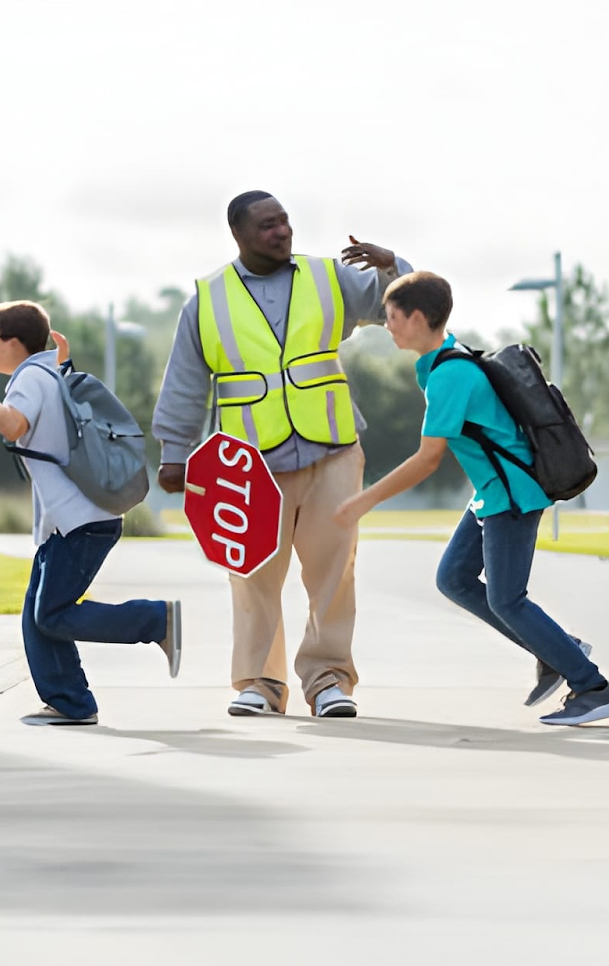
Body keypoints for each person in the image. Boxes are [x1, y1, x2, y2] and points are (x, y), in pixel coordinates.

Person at [152, 190, 412, 718]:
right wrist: (175, 453)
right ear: (240, 235)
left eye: (285, 221)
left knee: (333, 570)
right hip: (248, 462)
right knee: (251, 573)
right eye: (268, 225)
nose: (282, 231)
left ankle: (329, 680)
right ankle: (260, 683)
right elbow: (183, 382)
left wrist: (393, 267)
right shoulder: (207, 299)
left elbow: (403, 307)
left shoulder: (328, 277)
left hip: (333, 449)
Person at [333, 272, 609, 727]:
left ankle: (593, 687)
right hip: (494, 494)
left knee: (508, 600)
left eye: (390, 318)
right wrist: (386, 262)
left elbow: (428, 459)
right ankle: (558, 650)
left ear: (415, 317)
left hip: (512, 496)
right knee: (454, 578)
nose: (386, 326)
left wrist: (361, 501)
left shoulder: (451, 375)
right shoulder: (443, 362)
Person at [0, 300, 181, 726]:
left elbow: (14, 426)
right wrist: (59, 357)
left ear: (12, 341)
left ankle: (155, 620)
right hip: (73, 521)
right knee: (37, 616)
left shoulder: (30, 377)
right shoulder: (45, 371)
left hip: (80, 521)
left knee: (50, 613)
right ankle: (70, 702)